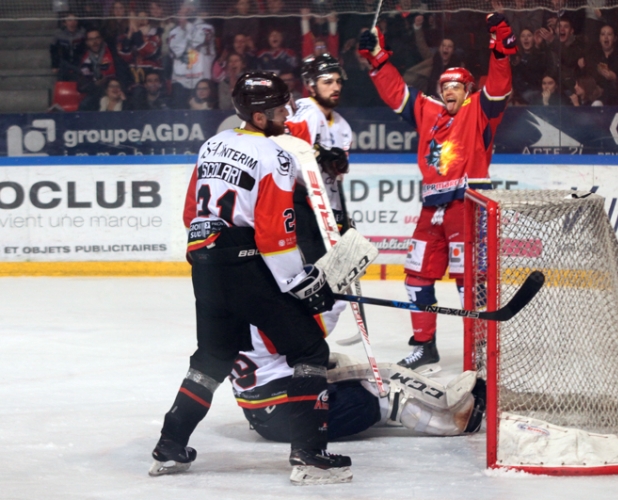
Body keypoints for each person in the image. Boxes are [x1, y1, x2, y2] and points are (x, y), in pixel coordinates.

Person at [151, 72, 351, 485]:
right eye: (280, 110)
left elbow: (192, 212)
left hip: (206, 266)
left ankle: (170, 447)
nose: (287, 115)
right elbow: (274, 232)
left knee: (212, 357)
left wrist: (211, 260)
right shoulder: (273, 156)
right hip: (247, 266)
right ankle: (309, 457)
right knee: (310, 350)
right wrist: (299, 281)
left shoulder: (213, 144)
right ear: (259, 116)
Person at [358, 13, 515, 373]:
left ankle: (478, 349)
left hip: (467, 206)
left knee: (467, 282)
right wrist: (378, 60)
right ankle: (424, 345)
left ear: (469, 90)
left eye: (456, 86)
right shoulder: (429, 111)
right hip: (432, 208)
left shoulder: (480, 111)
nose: (448, 90)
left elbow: (499, 85)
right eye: (444, 85)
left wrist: (500, 49)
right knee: (416, 275)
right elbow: (397, 93)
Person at [231, 344, 487, 443]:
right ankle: (454, 423)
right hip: (288, 417)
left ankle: (441, 400)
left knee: (344, 363)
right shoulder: (263, 321)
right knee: (379, 393)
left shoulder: (237, 323)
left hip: (271, 413)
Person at [286, 54, 353, 247]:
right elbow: (289, 160)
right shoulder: (305, 114)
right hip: (301, 205)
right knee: (311, 270)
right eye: (328, 82)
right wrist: (317, 156)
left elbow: (337, 177)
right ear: (311, 85)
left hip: (328, 206)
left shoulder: (344, 126)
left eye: (338, 82)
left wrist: (343, 215)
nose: (336, 88)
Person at [585, 24, 618, 105]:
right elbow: (588, 73)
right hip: (596, 91)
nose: (606, 37)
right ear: (599, 38)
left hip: (616, 94)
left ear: (615, 38)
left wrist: (615, 77)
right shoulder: (593, 54)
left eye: (609, 34)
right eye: (603, 34)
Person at [50, 12, 86, 82]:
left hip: (78, 62)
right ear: (64, 23)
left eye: (75, 20)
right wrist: (54, 65)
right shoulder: (58, 33)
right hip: (64, 62)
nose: (73, 22)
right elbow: (53, 49)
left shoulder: (82, 32)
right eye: (69, 20)